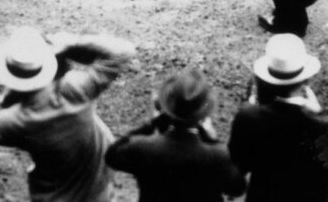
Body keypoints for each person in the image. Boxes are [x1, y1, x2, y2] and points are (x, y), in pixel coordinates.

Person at [0, 27, 137, 202]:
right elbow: (123, 51)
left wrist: (8, 93)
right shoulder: (74, 91)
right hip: (97, 192)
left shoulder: (15, 120)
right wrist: (72, 44)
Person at [228, 34, 328, 202]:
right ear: (305, 79)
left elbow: (237, 170)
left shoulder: (248, 116)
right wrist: (319, 113)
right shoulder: (320, 125)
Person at [105, 68, 246, 201]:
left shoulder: (143, 147)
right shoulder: (218, 156)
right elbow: (237, 188)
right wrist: (212, 139)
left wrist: (151, 123)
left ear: (165, 107)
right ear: (202, 114)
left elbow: (112, 156)